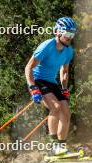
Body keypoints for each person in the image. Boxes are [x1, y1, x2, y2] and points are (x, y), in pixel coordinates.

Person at [25, 17, 77, 155]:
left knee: (66, 111)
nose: (69, 38)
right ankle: (53, 146)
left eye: (72, 34)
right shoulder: (47, 46)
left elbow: (64, 71)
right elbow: (28, 67)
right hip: (38, 79)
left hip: (51, 82)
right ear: (58, 32)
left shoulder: (68, 51)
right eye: (67, 34)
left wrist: (64, 89)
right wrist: (33, 88)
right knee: (56, 107)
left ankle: (61, 147)